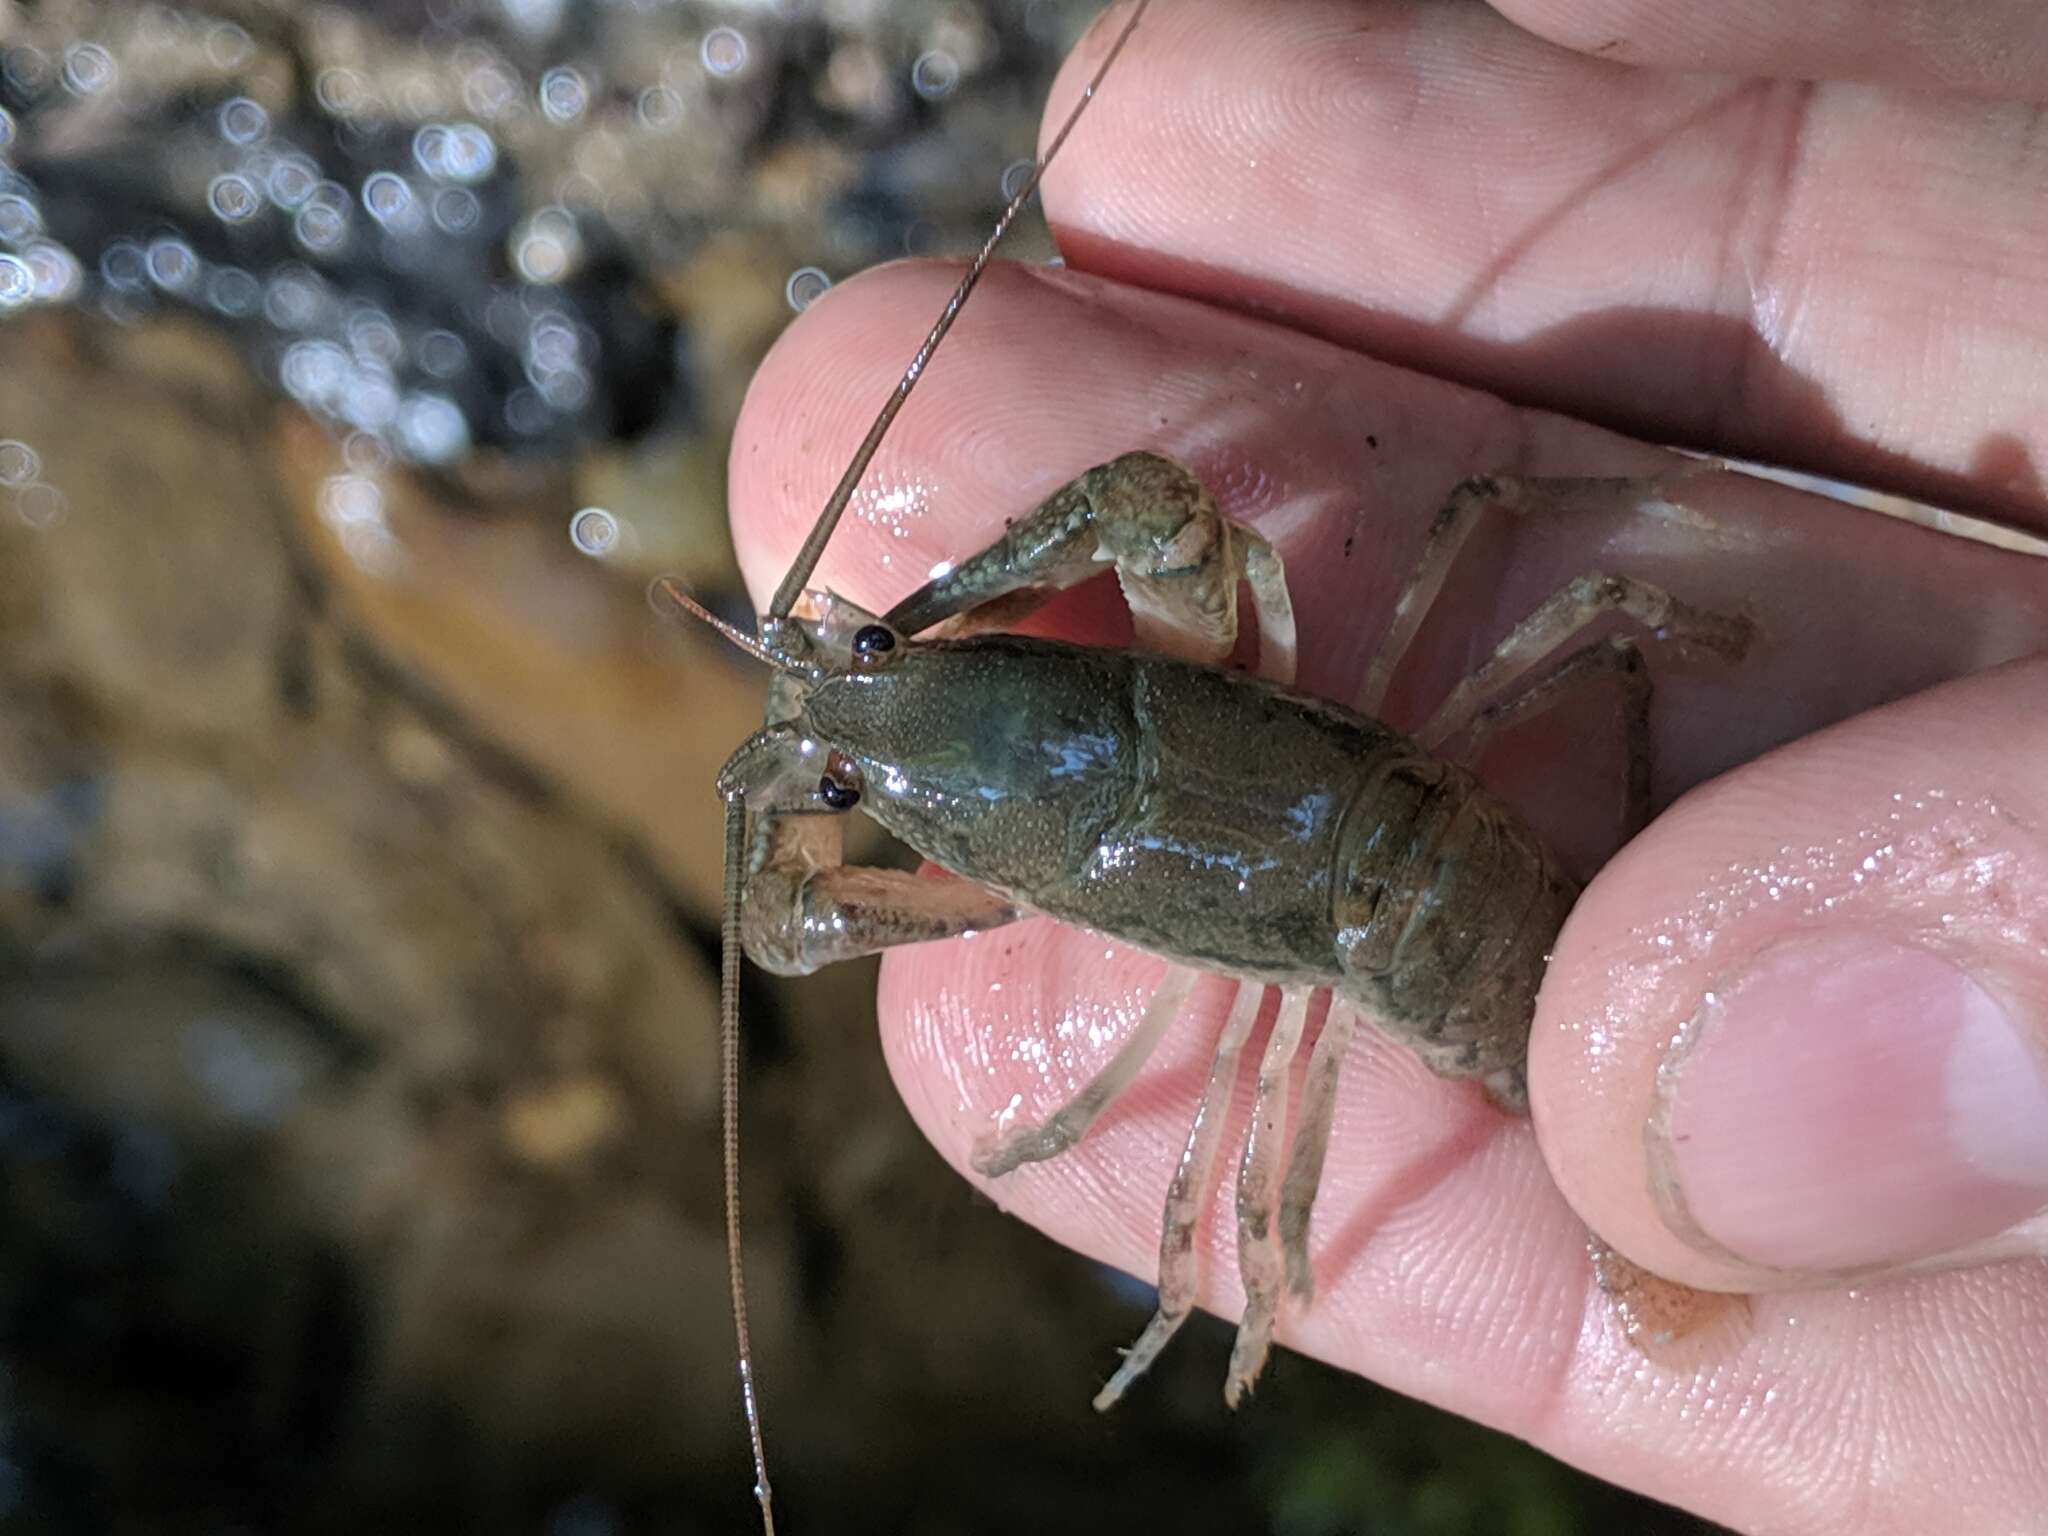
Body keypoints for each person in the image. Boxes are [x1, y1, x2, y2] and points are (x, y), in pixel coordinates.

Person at [728, 2, 2048, 1529]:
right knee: (1574, 591)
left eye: (879, 659)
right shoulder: (1117, 670)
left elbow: (1140, 515)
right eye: (847, 764)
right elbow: (1156, 511)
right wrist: (924, 634)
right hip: (1410, 842)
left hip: (1418, 929)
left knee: (1136, 1168)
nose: (861, 696)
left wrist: (897, 788)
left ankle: (1215, 1305)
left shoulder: (1005, 850)